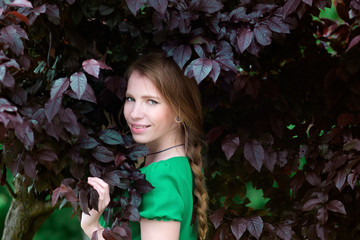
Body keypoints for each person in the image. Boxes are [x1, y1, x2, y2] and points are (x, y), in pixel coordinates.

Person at [80, 52, 208, 240]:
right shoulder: (179, 164)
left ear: (180, 111)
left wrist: (92, 227)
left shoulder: (159, 177)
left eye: (151, 101)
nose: (135, 113)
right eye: (131, 98)